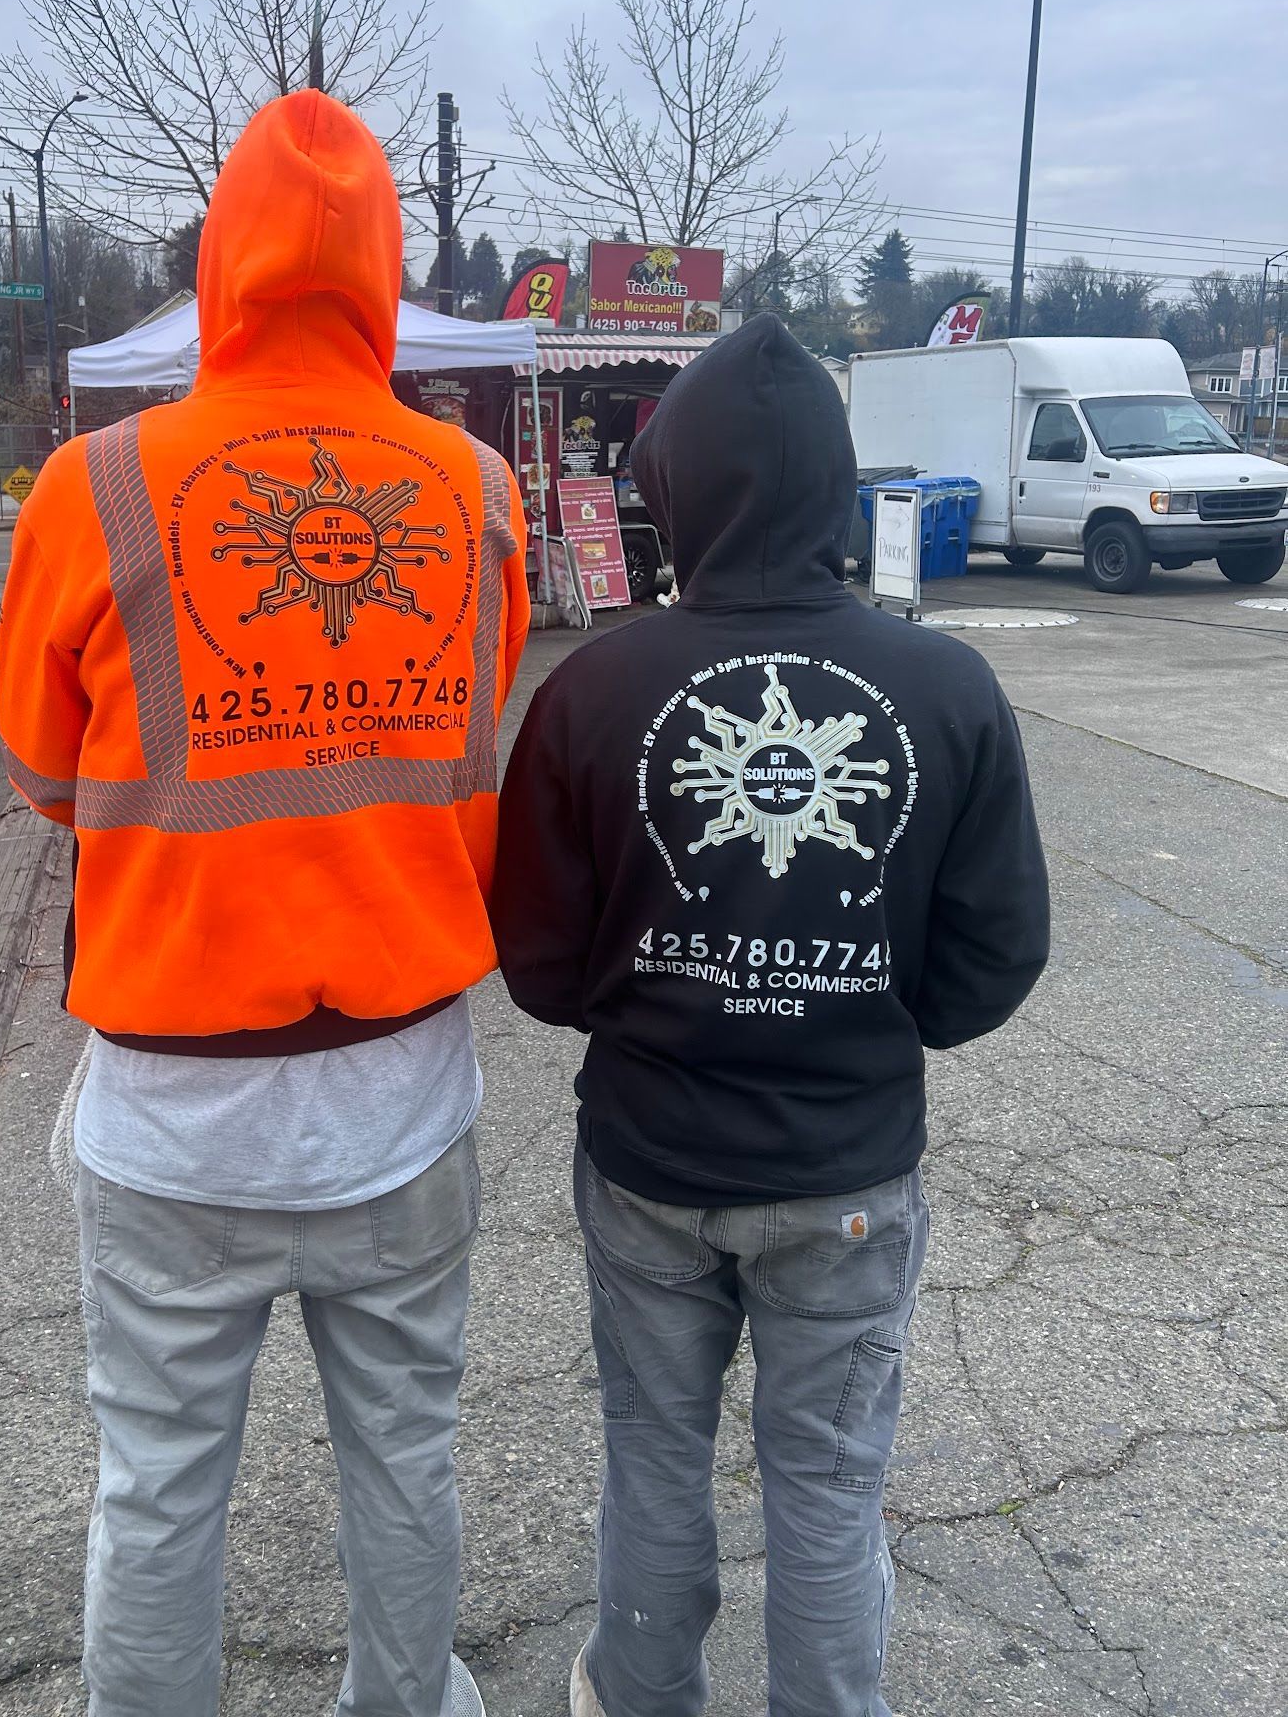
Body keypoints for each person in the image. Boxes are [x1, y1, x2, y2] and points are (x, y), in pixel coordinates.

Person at [0, 91, 528, 1717]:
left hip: (172, 1116)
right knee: (409, 1457)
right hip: (399, 1095)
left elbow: (45, 773)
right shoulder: (478, 492)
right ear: (381, 273)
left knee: (158, 1486)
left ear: (222, 262)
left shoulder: (91, 487)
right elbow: (467, 738)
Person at [492, 315, 1048, 1717]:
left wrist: (658, 999)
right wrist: (865, 1015)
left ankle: (639, 1689)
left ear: (674, 488)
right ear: (832, 485)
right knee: (828, 1483)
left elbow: (542, 963)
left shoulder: (590, 689)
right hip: (846, 1169)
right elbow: (994, 960)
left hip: (647, 1164)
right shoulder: (947, 688)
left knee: (655, 1457)